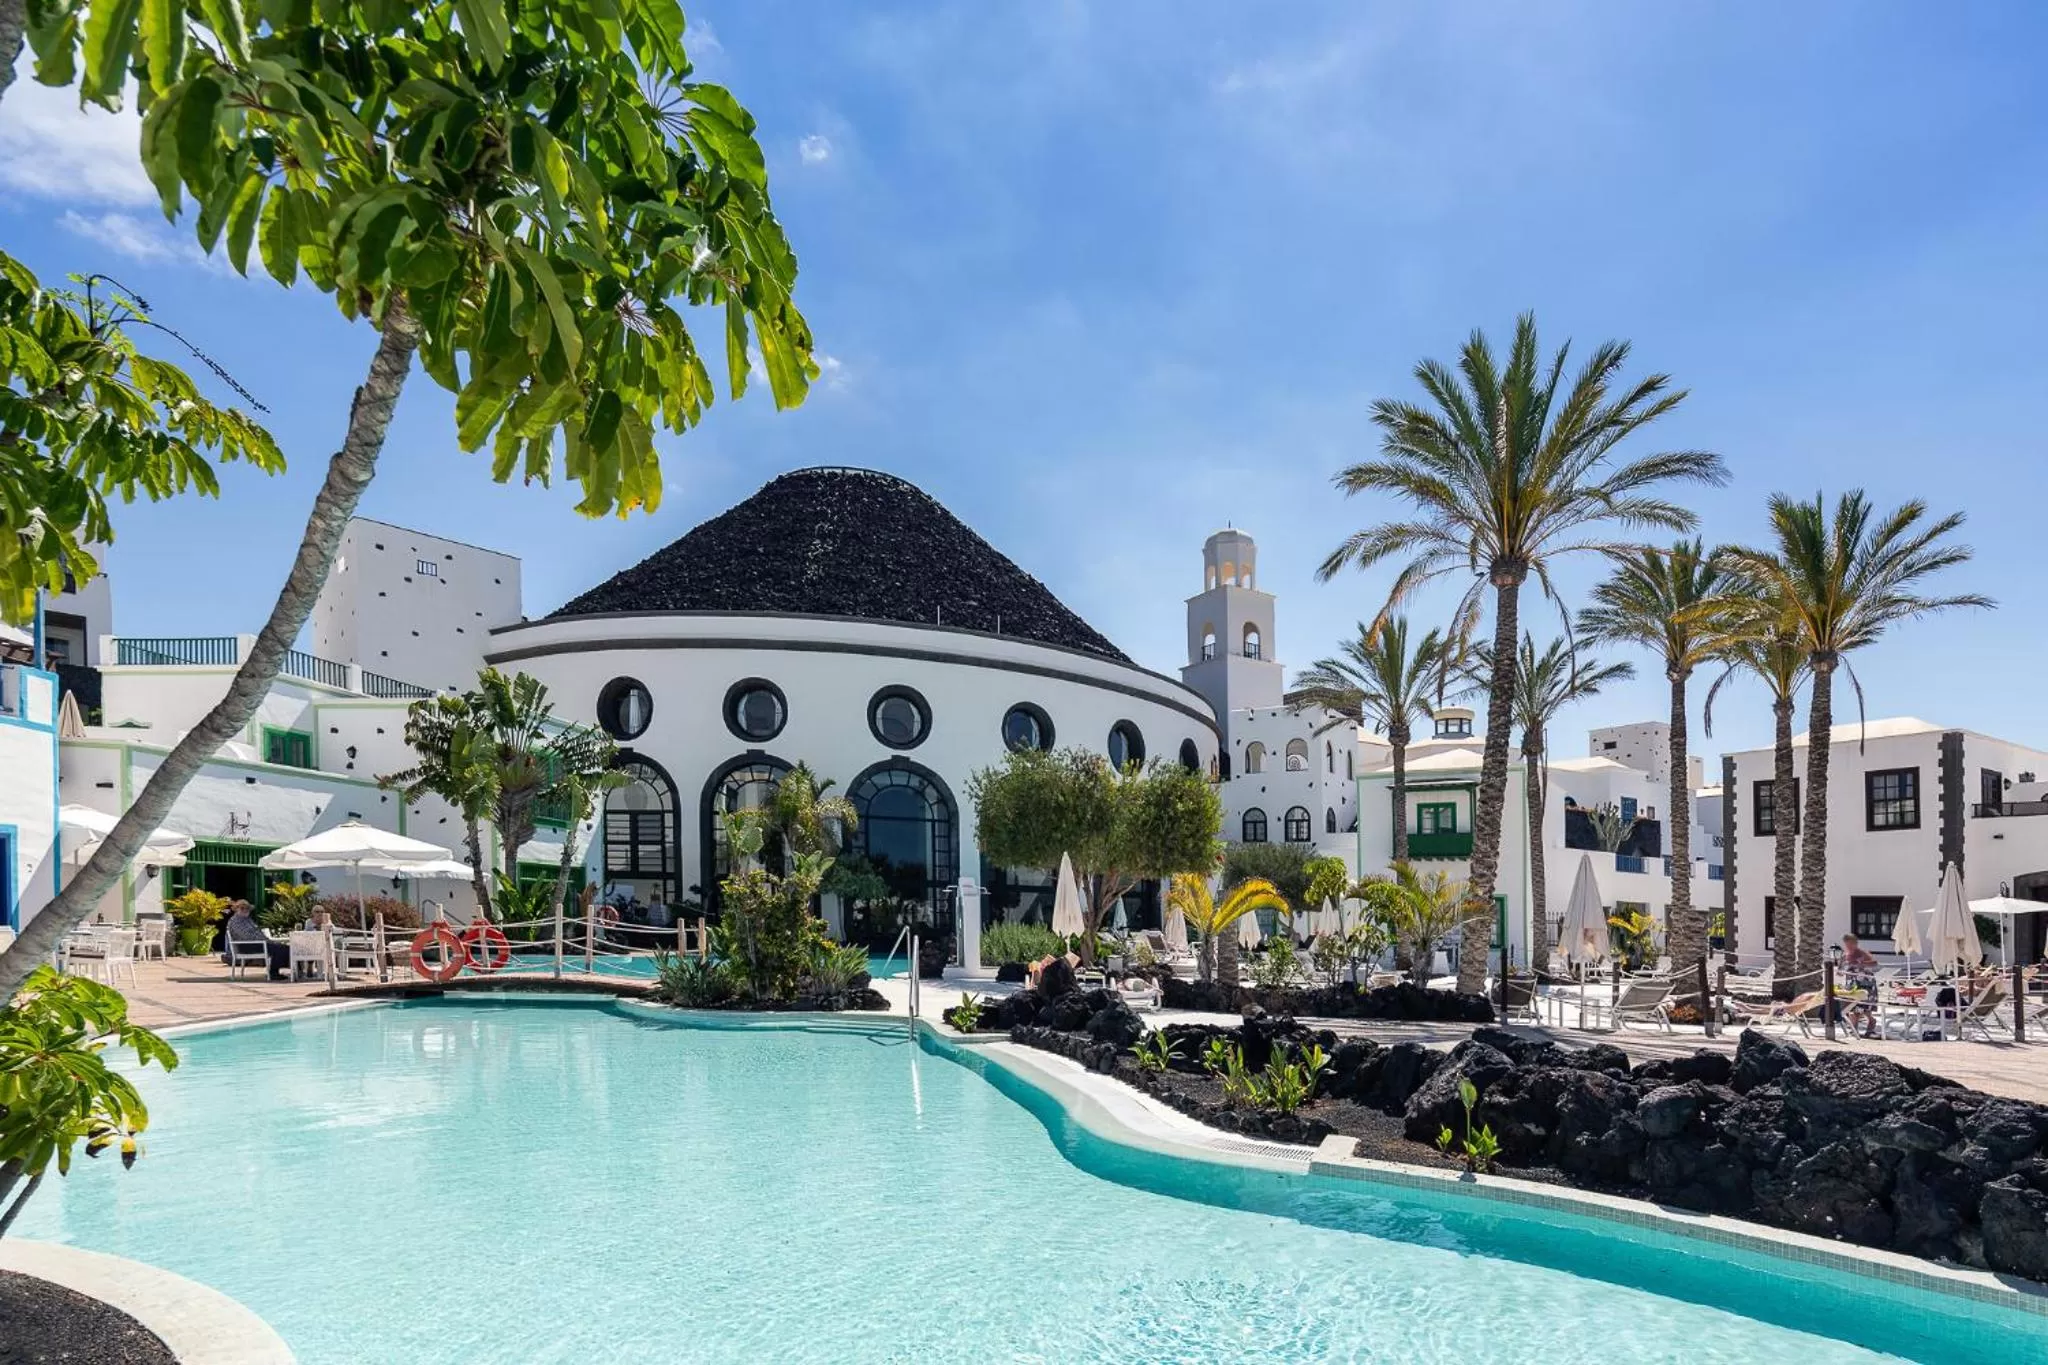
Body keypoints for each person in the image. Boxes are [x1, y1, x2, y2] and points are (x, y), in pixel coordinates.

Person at [222, 900, 290, 981]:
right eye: (242, 908)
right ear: (236, 909)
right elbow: (246, 936)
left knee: (286, 948)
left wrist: (267, 940)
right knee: (278, 949)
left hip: (256, 943)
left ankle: (295, 970)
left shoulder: (247, 920)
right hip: (246, 946)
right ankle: (273, 973)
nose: (245, 910)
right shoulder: (235, 921)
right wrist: (265, 940)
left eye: (247, 908)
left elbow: (257, 932)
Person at [1840, 933, 1879, 1038]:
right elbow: (1840, 970)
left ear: (1856, 943)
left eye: (1852, 943)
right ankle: (1855, 1030)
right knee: (1853, 1007)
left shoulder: (1862, 953)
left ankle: (1869, 1026)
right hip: (1852, 984)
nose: (1850, 946)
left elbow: (1874, 963)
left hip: (1865, 984)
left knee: (1865, 1008)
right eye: (1847, 944)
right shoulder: (1844, 955)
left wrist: (1861, 964)